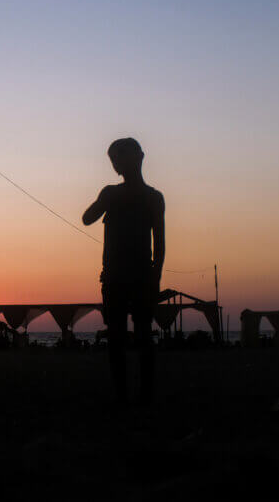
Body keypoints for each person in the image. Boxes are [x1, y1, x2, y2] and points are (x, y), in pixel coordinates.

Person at [83, 138, 165, 406]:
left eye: (120, 157)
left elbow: (160, 243)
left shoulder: (152, 197)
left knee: (139, 337)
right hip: (118, 276)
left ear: (139, 157)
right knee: (120, 338)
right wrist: (105, 200)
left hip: (138, 275)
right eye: (116, 159)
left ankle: (142, 397)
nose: (119, 164)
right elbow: (87, 218)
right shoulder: (115, 194)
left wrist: (155, 278)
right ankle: (127, 397)